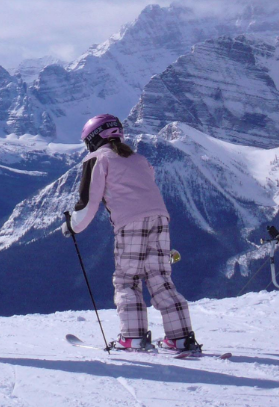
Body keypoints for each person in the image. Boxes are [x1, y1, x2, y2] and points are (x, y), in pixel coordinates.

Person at [62, 114, 199, 354]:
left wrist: (72, 226)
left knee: (128, 280)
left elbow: (88, 202)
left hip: (130, 223)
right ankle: (180, 338)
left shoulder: (97, 159)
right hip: (160, 220)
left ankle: (133, 338)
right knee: (160, 278)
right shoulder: (139, 159)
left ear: (93, 140)